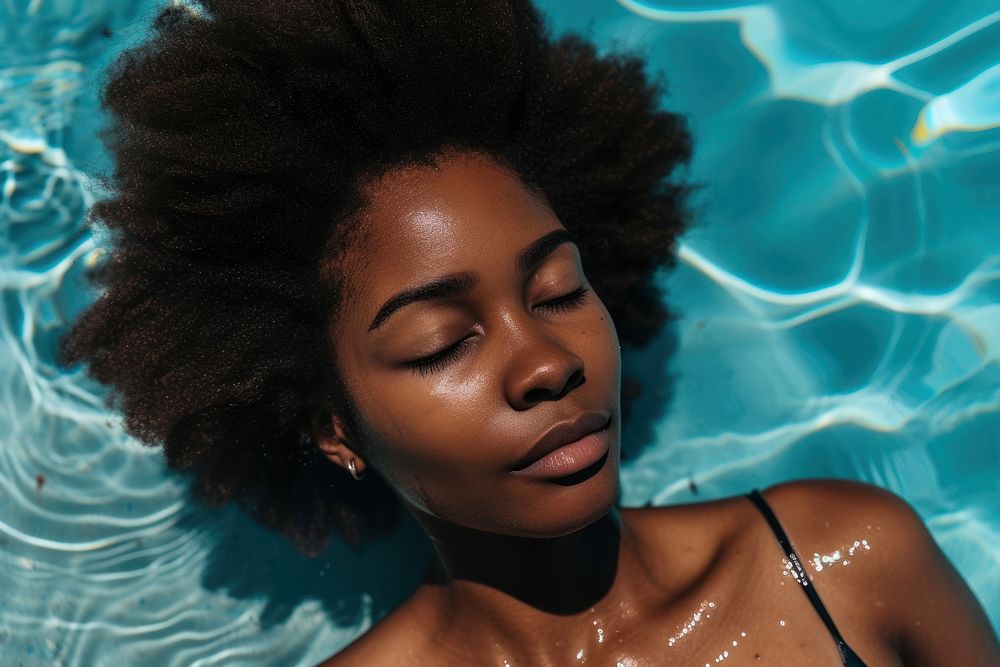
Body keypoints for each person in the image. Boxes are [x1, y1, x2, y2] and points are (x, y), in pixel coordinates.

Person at [58, 1, 999, 665]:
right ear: (332, 425)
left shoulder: (845, 561)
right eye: (440, 342)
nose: (548, 362)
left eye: (557, 290)